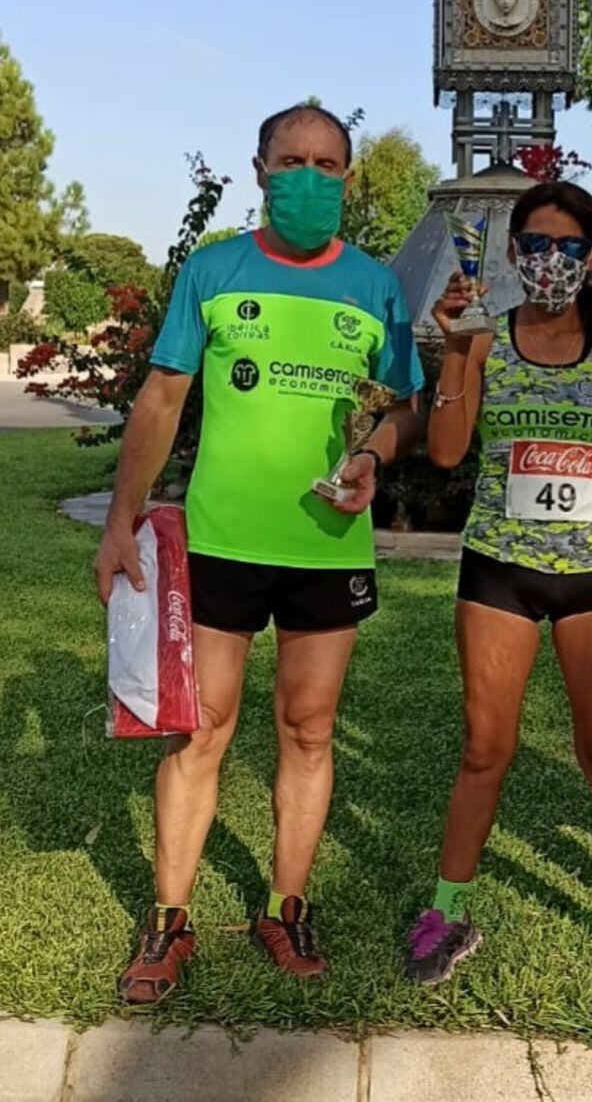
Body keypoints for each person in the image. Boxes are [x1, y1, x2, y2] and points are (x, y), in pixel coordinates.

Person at [95, 104, 424, 1002]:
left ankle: (287, 905)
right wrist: (122, 518)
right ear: (260, 169)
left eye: (327, 164)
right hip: (222, 543)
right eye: (293, 161)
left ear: (348, 179)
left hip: (327, 545)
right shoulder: (214, 269)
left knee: (309, 726)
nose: (310, 178)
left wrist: (371, 454)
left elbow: (400, 408)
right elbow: (162, 400)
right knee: (201, 727)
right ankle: (170, 919)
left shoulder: (377, 287)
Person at [405, 182, 592, 1005]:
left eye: (568, 247)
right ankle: (447, 910)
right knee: (484, 747)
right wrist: (456, 348)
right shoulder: (488, 336)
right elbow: (450, 452)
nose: (550, 261)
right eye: (534, 244)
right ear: (512, 252)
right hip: (500, 568)